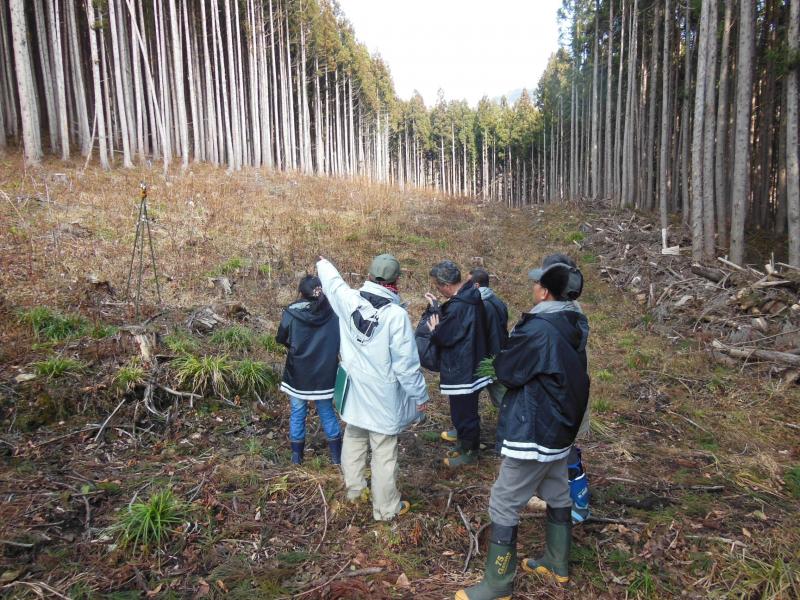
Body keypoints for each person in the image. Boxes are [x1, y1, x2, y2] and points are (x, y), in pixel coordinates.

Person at [455, 256, 589, 600]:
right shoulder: (574, 322)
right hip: (560, 427)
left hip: (534, 427)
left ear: (545, 292)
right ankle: (557, 564)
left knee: (503, 501)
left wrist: (498, 361)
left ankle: (498, 583)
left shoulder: (539, 330)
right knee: (558, 491)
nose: (532, 286)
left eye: (536, 283)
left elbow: (509, 370)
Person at [317, 254, 429, 521]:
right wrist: (420, 395)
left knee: (354, 439)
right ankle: (385, 508)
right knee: (384, 452)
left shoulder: (349, 300)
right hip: (383, 397)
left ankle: (355, 493)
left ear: (369, 274)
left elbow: (333, 284)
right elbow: (406, 365)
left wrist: (323, 263)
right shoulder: (396, 316)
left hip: (355, 391)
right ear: (396, 280)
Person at [426, 261, 491, 467]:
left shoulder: (460, 306)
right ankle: (465, 444)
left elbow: (446, 336)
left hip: (462, 367)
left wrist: (435, 329)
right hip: (471, 363)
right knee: (464, 410)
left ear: (446, 285)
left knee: (464, 413)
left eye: (438, 286)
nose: (438, 290)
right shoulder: (470, 297)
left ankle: (470, 452)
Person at [276, 275, 342, 466]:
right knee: (327, 411)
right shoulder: (334, 312)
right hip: (326, 372)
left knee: (297, 412)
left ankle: (297, 458)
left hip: (298, 372)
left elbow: (281, 337)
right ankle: (336, 458)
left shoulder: (292, 312)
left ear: (301, 292)